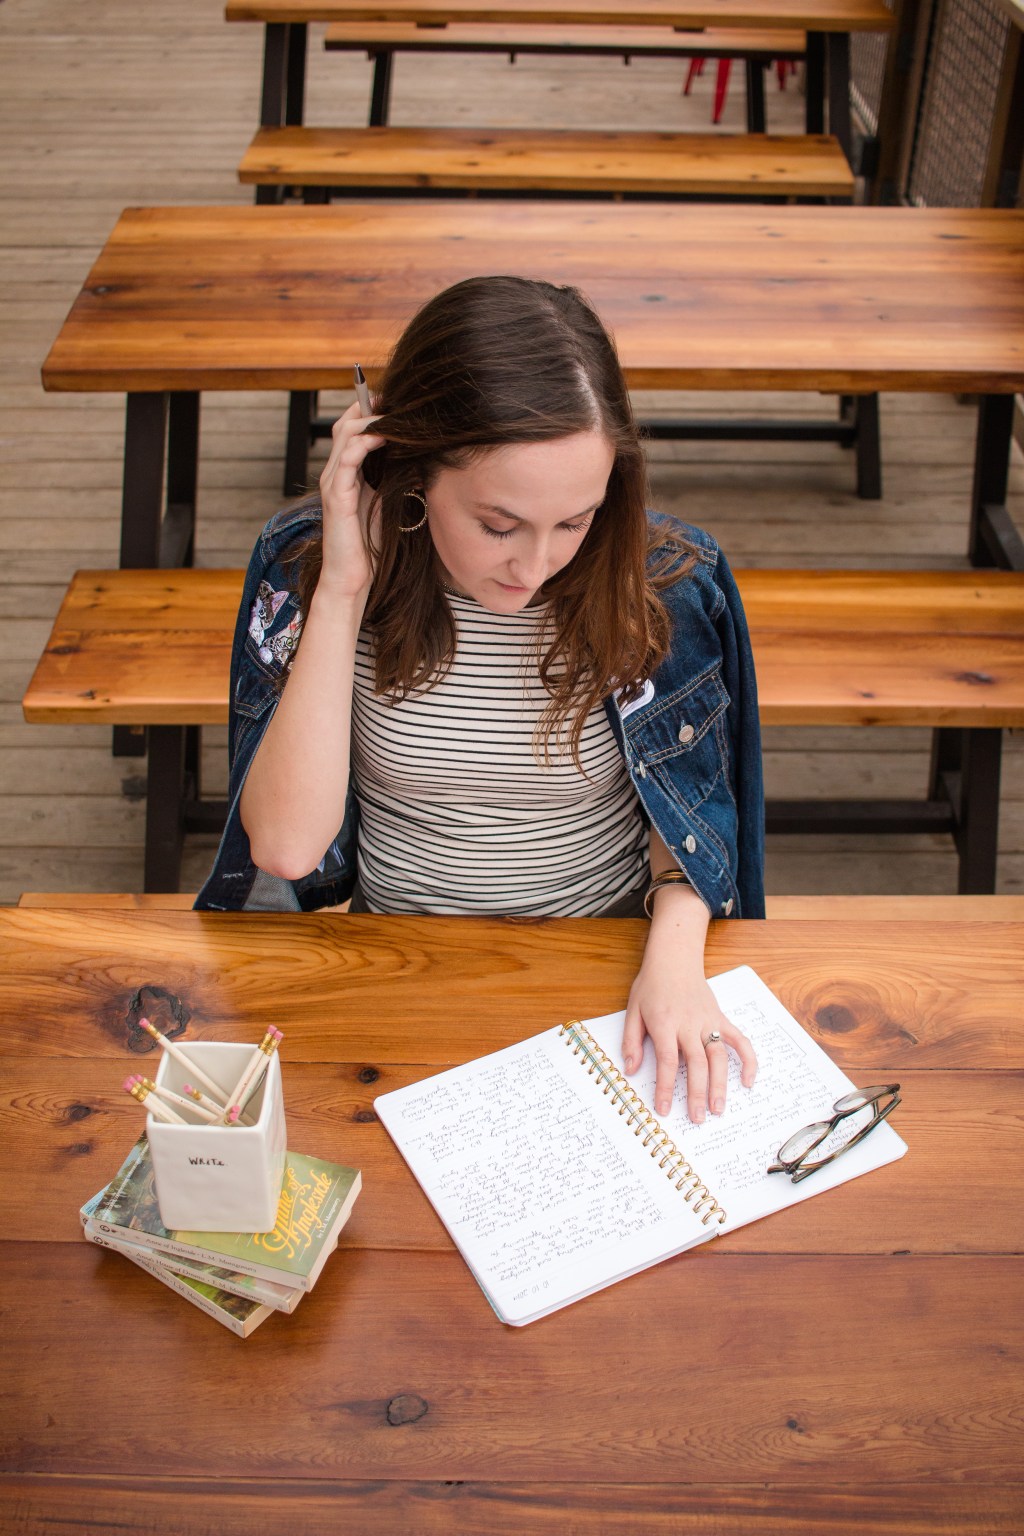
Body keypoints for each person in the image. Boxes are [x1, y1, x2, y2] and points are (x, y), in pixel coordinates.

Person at [196, 275, 765, 1123]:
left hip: (613, 962)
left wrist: (675, 962)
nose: (535, 566)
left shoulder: (668, 583)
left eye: (575, 521)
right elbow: (284, 846)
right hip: (399, 965)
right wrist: (346, 589)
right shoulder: (310, 567)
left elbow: (700, 820)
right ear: (413, 470)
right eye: (499, 524)